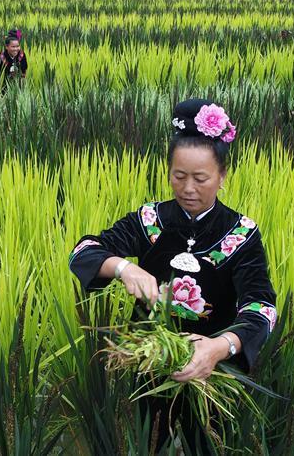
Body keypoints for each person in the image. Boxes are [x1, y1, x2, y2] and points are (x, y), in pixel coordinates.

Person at [68, 99, 277, 454]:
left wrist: (219, 347)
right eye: (179, 176)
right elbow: (84, 251)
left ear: (222, 177)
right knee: (148, 444)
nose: (188, 189)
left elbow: (262, 307)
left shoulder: (241, 234)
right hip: (149, 367)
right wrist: (124, 267)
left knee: (209, 446)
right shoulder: (150, 221)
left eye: (201, 178)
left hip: (213, 373)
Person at [0, 29, 27, 93]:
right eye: (13, 47)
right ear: (6, 47)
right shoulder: (1, 56)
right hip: (4, 87)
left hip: (19, 86)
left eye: (17, 46)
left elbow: (24, 71)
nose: (16, 49)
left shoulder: (22, 55)